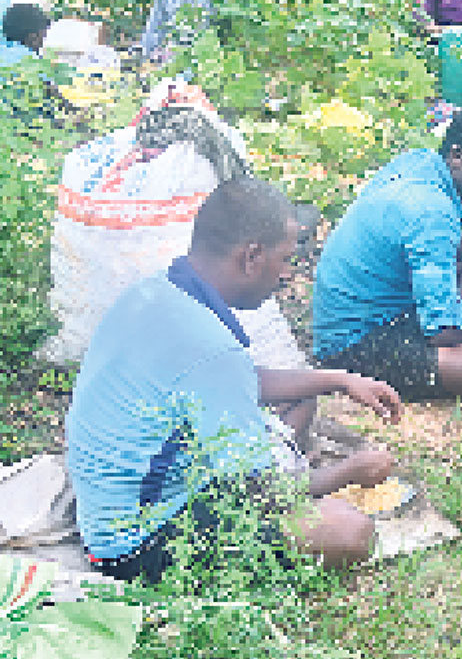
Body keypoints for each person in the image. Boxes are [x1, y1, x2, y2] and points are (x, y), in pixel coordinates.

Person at [65, 179, 405, 585]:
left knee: (304, 395)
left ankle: (285, 456)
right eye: (284, 259)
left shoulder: (154, 293)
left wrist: (339, 380)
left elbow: (234, 380)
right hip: (137, 546)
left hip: (107, 504)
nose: (286, 274)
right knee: (349, 531)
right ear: (252, 257)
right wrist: (349, 472)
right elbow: (261, 495)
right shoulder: (211, 347)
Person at [312, 102, 462, 401]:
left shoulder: (421, 165)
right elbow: (440, 328)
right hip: (354, 342)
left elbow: (435, 243)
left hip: (385, 307)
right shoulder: (431, 209)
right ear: (457, 156)